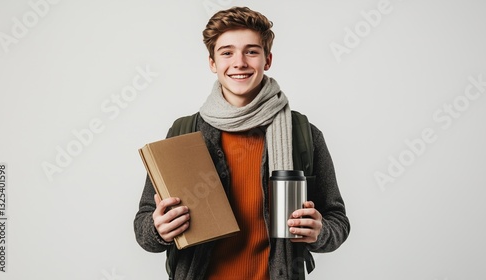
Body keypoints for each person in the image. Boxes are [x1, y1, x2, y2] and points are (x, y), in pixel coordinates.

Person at [134, 6, 350, 280]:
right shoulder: (184, 133)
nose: (239, 62)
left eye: (251, 51)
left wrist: (319, 232)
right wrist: (157, 230)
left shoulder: (302, 134)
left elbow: (337, 220)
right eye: (226, 52)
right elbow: (144, 223)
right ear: (212, 63)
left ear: (267, 59)